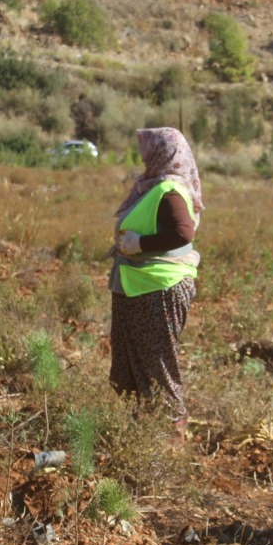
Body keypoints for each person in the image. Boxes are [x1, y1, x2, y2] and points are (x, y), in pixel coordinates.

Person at [108, 127, 204, 434]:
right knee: (132, 365)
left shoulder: (169, 189)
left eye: (148, 149)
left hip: (158, 289)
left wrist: (139, 244)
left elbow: (183, 232)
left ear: (163, 153)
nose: (143, 155)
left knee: (158, 367)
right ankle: (141, 436)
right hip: (139, 286)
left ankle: (169, 439)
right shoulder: (153, 187)